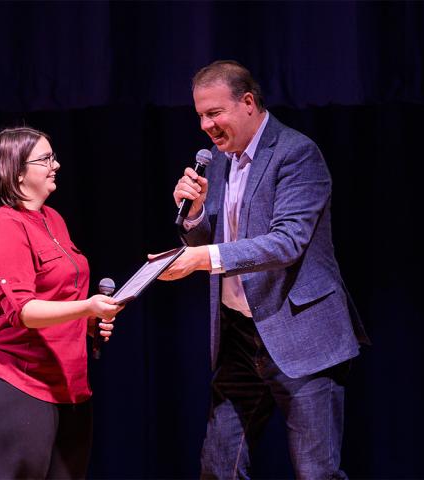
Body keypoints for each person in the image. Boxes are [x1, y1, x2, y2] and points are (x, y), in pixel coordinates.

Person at [158, 61, 370, 479]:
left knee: (317, 474)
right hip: (240, 338)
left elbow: (287, 242)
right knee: (219, 468)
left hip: (302, 334)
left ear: (249, 102)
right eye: (200, 115)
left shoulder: (296, 153)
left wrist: (201, 258)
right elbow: (212, 242)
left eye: (214, 113)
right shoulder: (218, 162)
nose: (205, 125)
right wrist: (196, 215)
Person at [0, 126, 123, 479]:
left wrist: (88, 321)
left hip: (67, 382)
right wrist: (88, 308)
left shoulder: (53, 220)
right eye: (45, 159)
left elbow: (58, 297)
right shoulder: (3, 226)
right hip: (15, 377)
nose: (57, 165)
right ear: (16, 171)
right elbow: (24, 311)